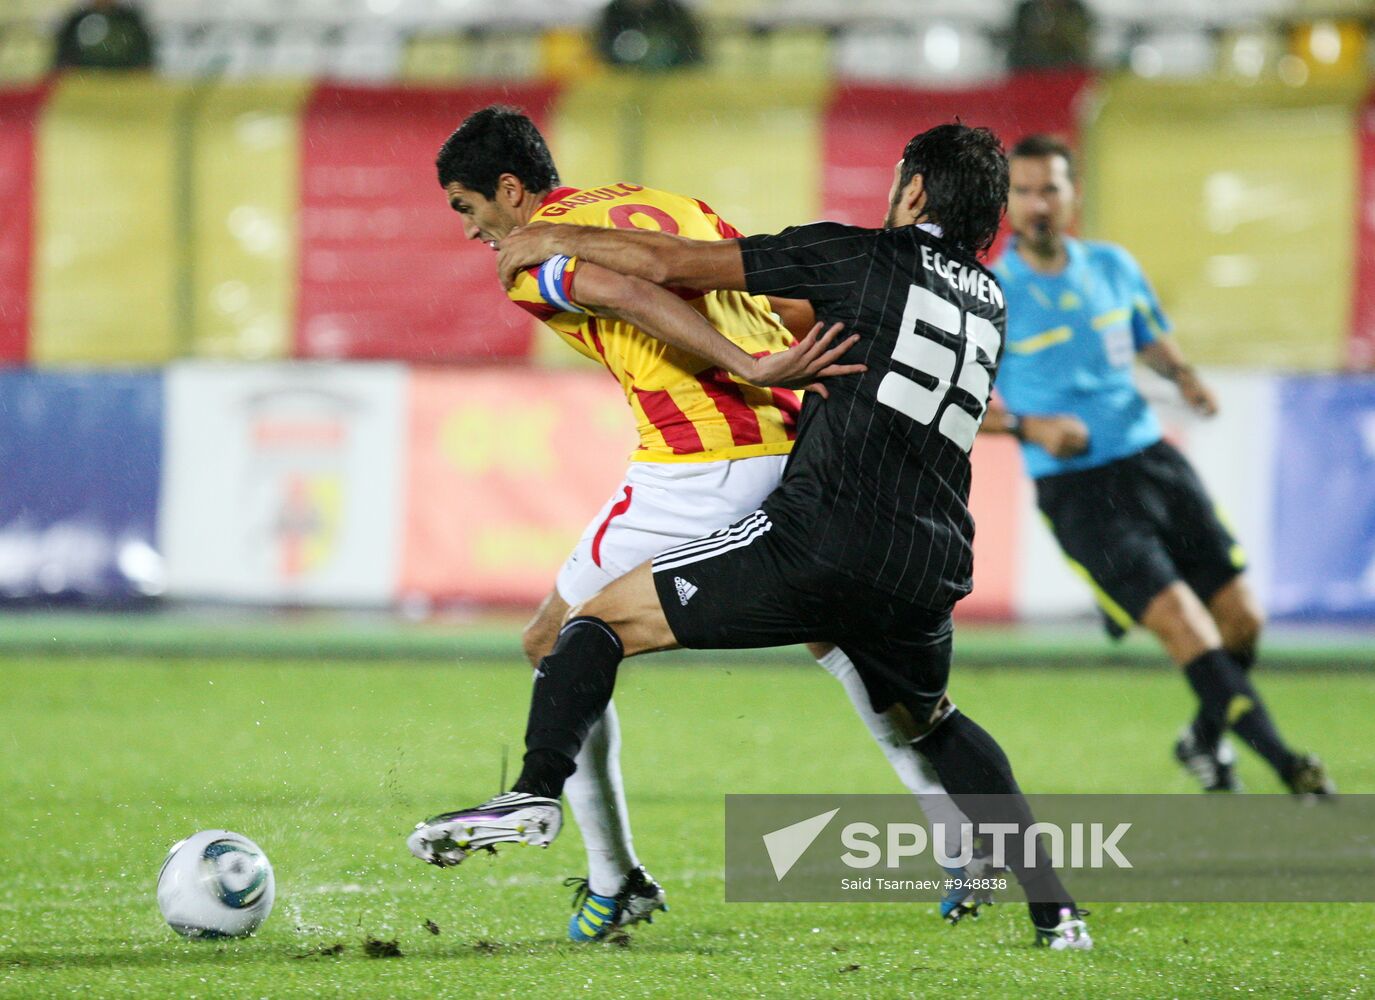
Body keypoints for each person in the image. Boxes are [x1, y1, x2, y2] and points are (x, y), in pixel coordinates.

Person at [410, 123, 1094, 950]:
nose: (471, 228)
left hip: (713, 460)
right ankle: (1005, 874)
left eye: (467, 208)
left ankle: (596, 858)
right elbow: (798, 309)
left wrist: (741, 361)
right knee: (892, 683)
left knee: (567, 634)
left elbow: (638, 285)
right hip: (888, 512)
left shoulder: (528, 254)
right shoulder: (684, 207)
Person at [982, 133, 1332, 797]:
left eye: (1049, 188)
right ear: (1006, 204)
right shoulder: (993, 295)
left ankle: (1200, 740)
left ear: (1072, 195)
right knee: (1184, 624)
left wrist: (1184, 375)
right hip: (1077, 491)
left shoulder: (1112, 266)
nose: (1038, 203)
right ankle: (1287, 765)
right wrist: (1029, 426)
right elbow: (952, 403)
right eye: (1023, 190)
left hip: (1153, 463)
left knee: (1242, 622)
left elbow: (1145, 334)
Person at [594, 0, 704, 72]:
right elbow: (602, 51)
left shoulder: (672, 12)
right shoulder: (614, 12)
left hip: (672, 83)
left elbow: (691, 50)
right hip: (621, 83)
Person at [53, 0, 154, 71]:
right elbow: (63, 59)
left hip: (123, 84)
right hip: (84, 85)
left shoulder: (130, 20)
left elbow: (143, 59)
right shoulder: (76, 20)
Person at [1005, 0, 1094, 72]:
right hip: (1031, 71)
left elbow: (1080, 43)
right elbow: (1019, 44)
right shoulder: (1026, 10)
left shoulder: (1075, 10)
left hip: (1067, 71)